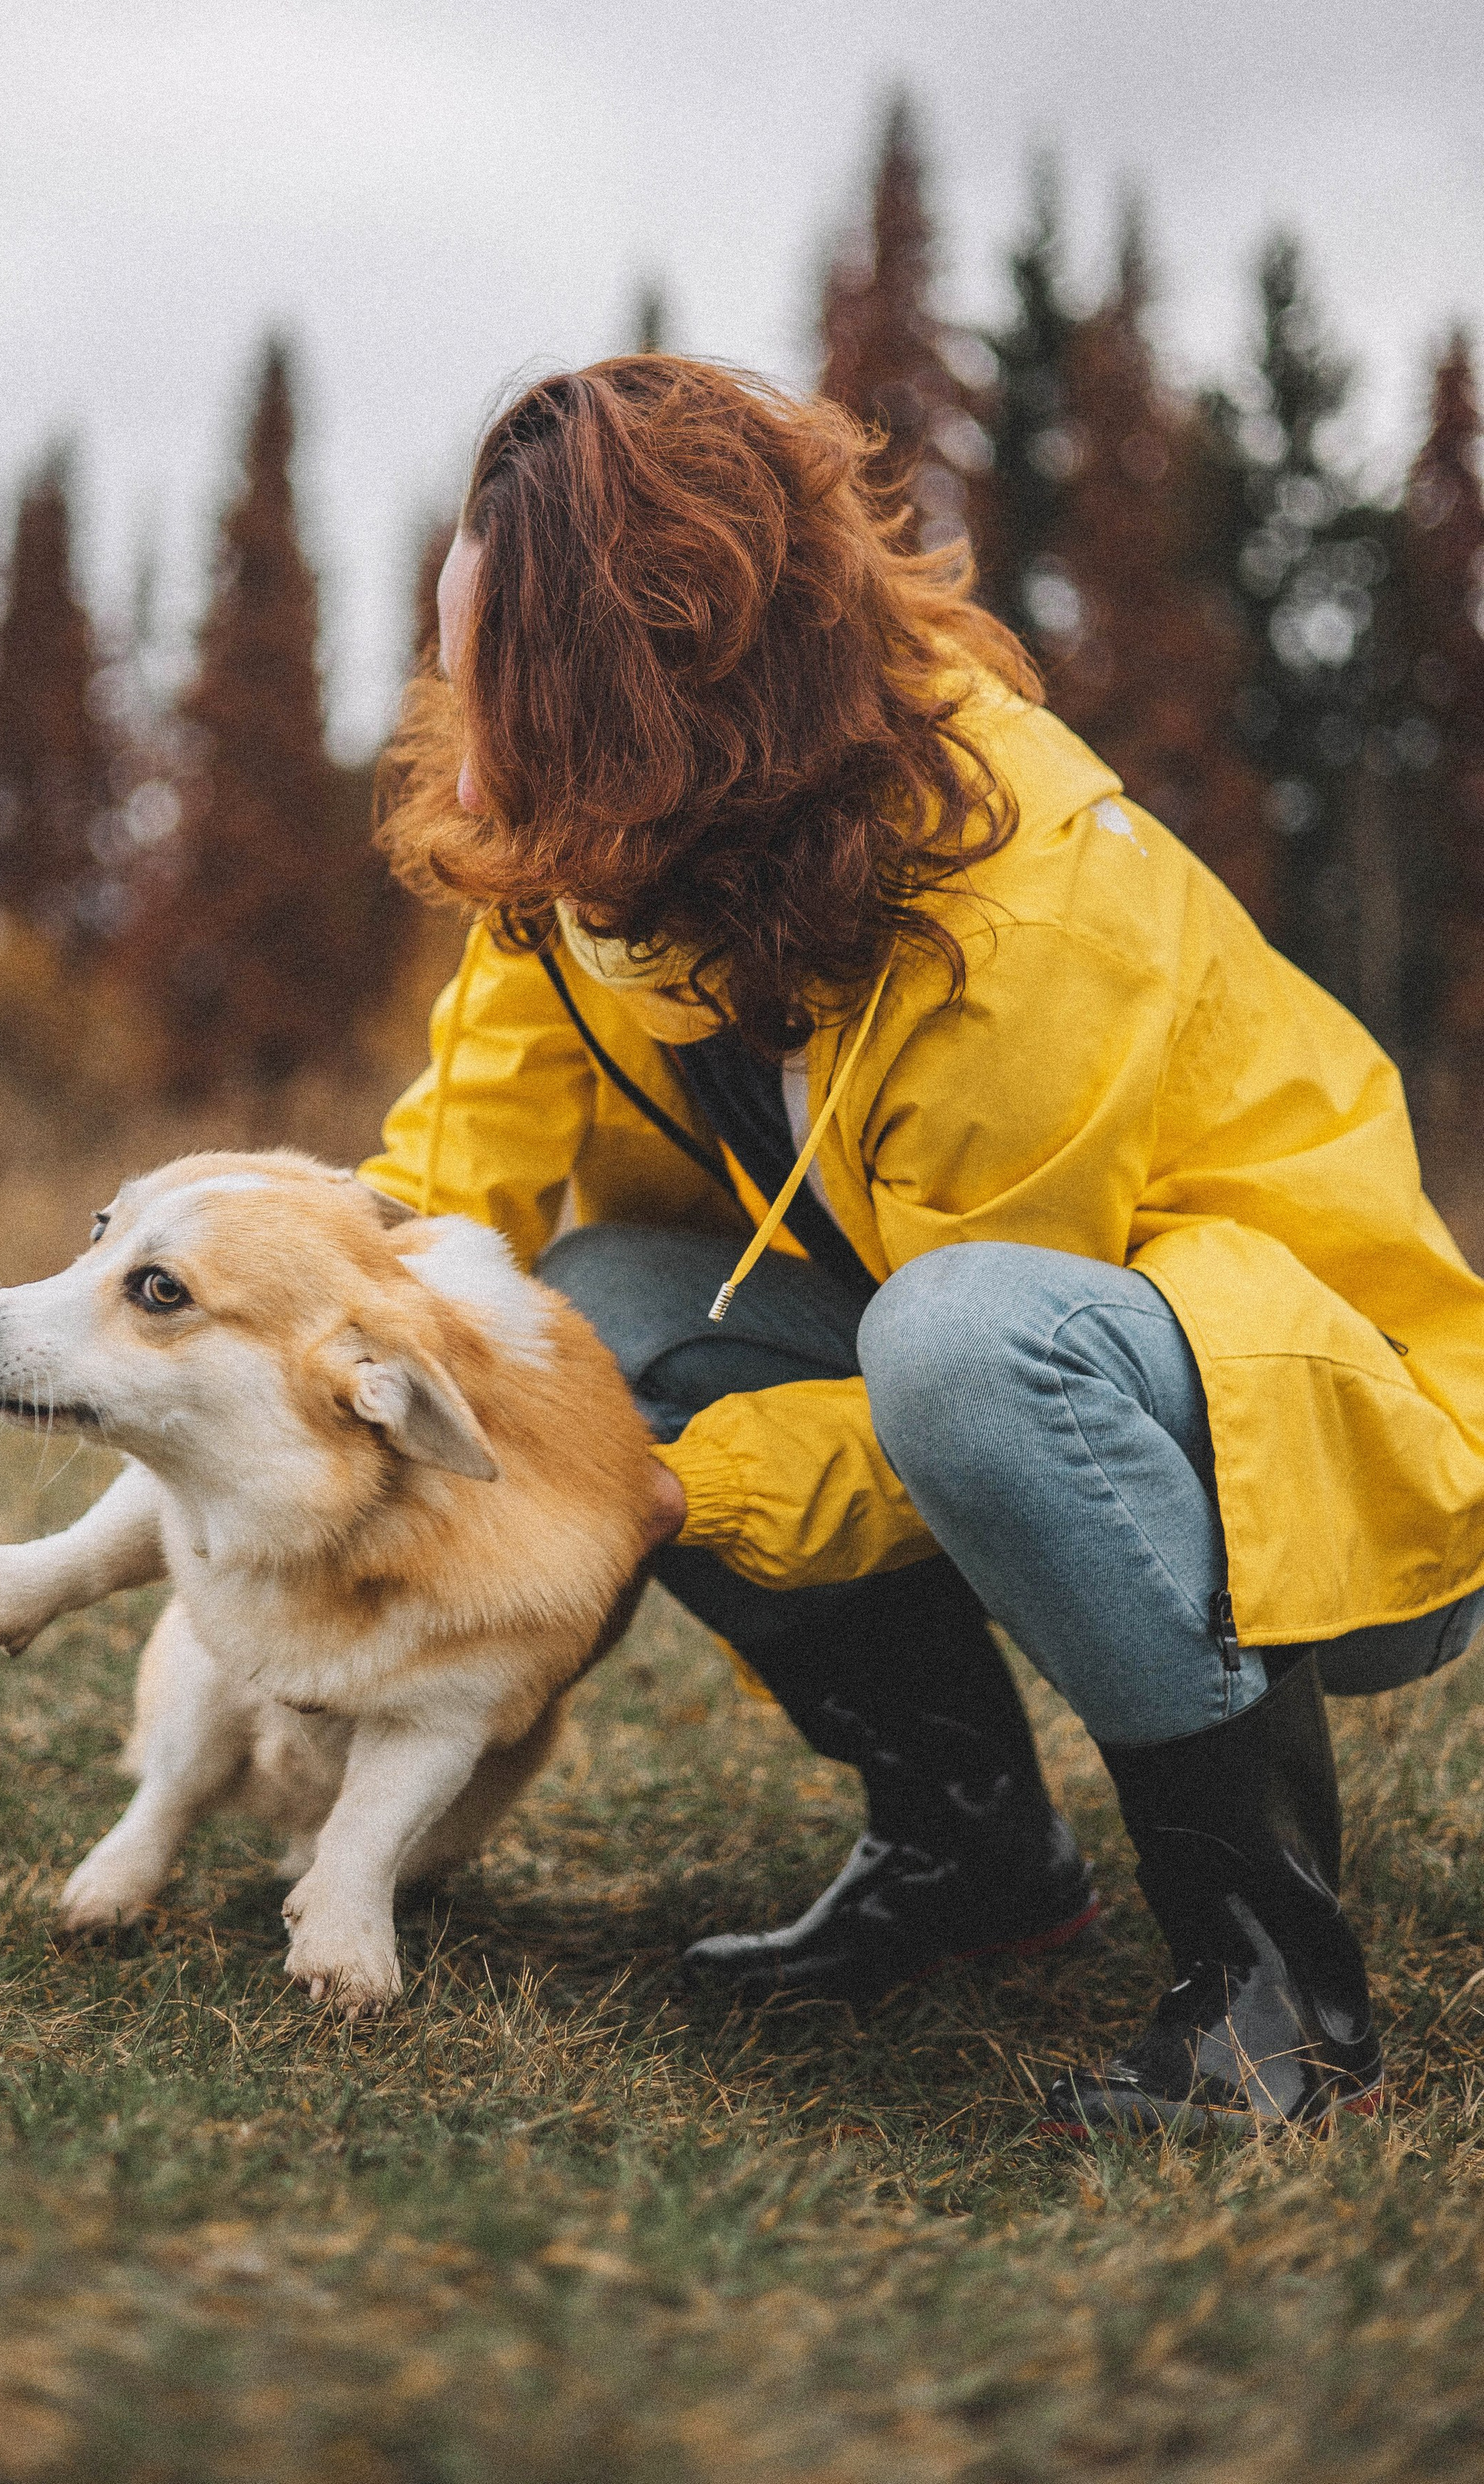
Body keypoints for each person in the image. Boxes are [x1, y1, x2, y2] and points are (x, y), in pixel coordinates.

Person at [358, 354, 1484, 2136]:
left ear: (659, 689)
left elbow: (971, 1400)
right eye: (456, 663)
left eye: (506, 685)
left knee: (953, 1342)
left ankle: (1277, 1999)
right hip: (977, 1359)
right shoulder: (591, 860)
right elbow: (450, 1189)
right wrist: (316, 1353)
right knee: (594, 1321)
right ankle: (973, 1860)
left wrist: (661, 1493)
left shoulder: (1019, 903)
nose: (467, 745)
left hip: (1323, 1436)